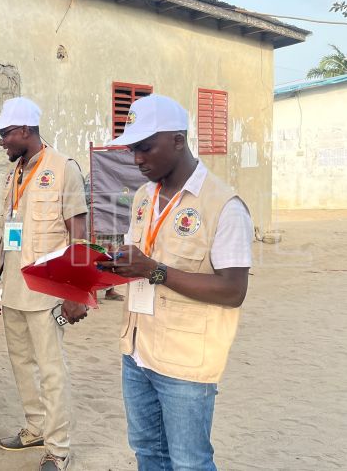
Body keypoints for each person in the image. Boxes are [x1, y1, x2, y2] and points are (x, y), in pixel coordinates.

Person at [97, 95, 252, 471]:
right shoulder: (143, 196)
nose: (137, 159)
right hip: (137, 350)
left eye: (145, 148)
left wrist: (154, 270)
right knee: (148, 452)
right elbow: (140, 257)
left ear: (178, 140)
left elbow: (233, 290)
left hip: (185, 361)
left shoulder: (224, 206)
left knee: (189, 462)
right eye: (133, 149)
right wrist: (107, 269)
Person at [0, 97, 89, 471]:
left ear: (25, 130)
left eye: (5, 133)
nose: (1, 141)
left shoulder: (64, 169)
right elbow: (8, 229)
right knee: (22, 364)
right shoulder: (15, 173)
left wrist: (77, 291)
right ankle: (35, 427)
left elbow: (79, 235)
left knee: (51, 368)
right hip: (13, 287)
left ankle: (58, 448)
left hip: (47, 293)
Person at [84, 173, 125, 301]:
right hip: (97, 219)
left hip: (114, 220)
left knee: (113, 254)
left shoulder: (120, 174)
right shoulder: (92, 174)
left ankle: (110, 289)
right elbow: (85, 197)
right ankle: (91, 290)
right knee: (96, 254)